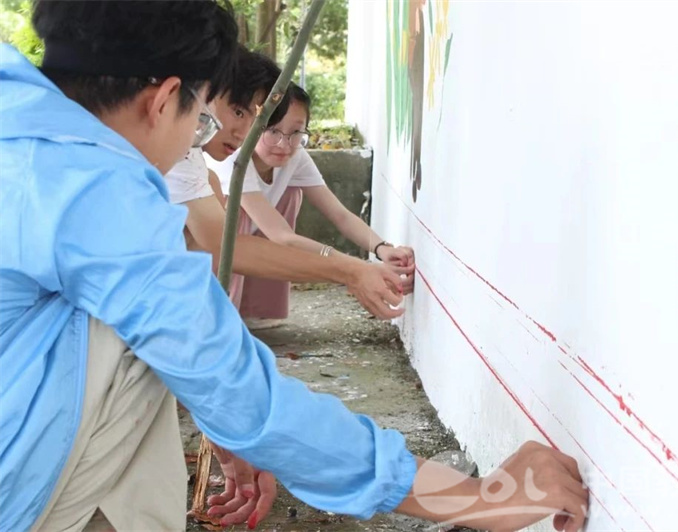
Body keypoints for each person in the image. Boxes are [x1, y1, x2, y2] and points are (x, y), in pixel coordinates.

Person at [0, 2, 589, 532]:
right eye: (200, 122)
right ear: (162, 100)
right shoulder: (95, 188)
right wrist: (477, 498)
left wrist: (231, 420)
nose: (198, 142)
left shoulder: (21, 123)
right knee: (139, 344)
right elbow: (235, 386)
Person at [165, 45, 406, 321]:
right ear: (205, 91)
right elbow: (231, 246)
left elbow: (339, 213)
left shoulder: (193, 156)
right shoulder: (198, 155)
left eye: (256, 121)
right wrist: (351, 269)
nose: (243, 133)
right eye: (238, 112)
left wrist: (380, 249)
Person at [207, 83, 415, 322]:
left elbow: (340, 214)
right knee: (237, 209)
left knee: (291, 192)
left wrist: (382, 248)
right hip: (212, 248)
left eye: (296, 133)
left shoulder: (296, 157)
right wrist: (356, 268)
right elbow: (282, 237)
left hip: (256, 238)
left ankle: (256, 311)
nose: (284, 144)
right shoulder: (234, 160)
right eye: (272, 131)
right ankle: (221, 312)